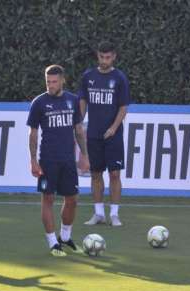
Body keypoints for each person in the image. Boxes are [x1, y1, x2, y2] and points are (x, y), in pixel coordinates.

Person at [27, 65, 89, 257]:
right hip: (47, 160)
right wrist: (33, 160)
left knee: (72, 199)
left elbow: (78, 130)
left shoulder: (72, 100)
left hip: (68, 160)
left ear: (62, 80)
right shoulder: (39, 103)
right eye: (48, 82)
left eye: (54, 82)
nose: (50, 86)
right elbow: (33, 133)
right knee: (48, 199)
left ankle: (65, 237)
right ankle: (53, 242)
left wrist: (84, 156)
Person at [79, 41, 130, 227]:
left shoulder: (119, 78)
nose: (104, 60)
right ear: (97, 56)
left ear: (114, 56)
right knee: (95, 174)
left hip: (113, 135)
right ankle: (98, 213)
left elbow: (124, 107)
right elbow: (83, 100)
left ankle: (114, 214)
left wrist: (114, 128)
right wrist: (79, 121)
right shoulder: (88, 76)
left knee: (115, 174)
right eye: (101, 57)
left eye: (108, 57)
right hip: (93, 134)